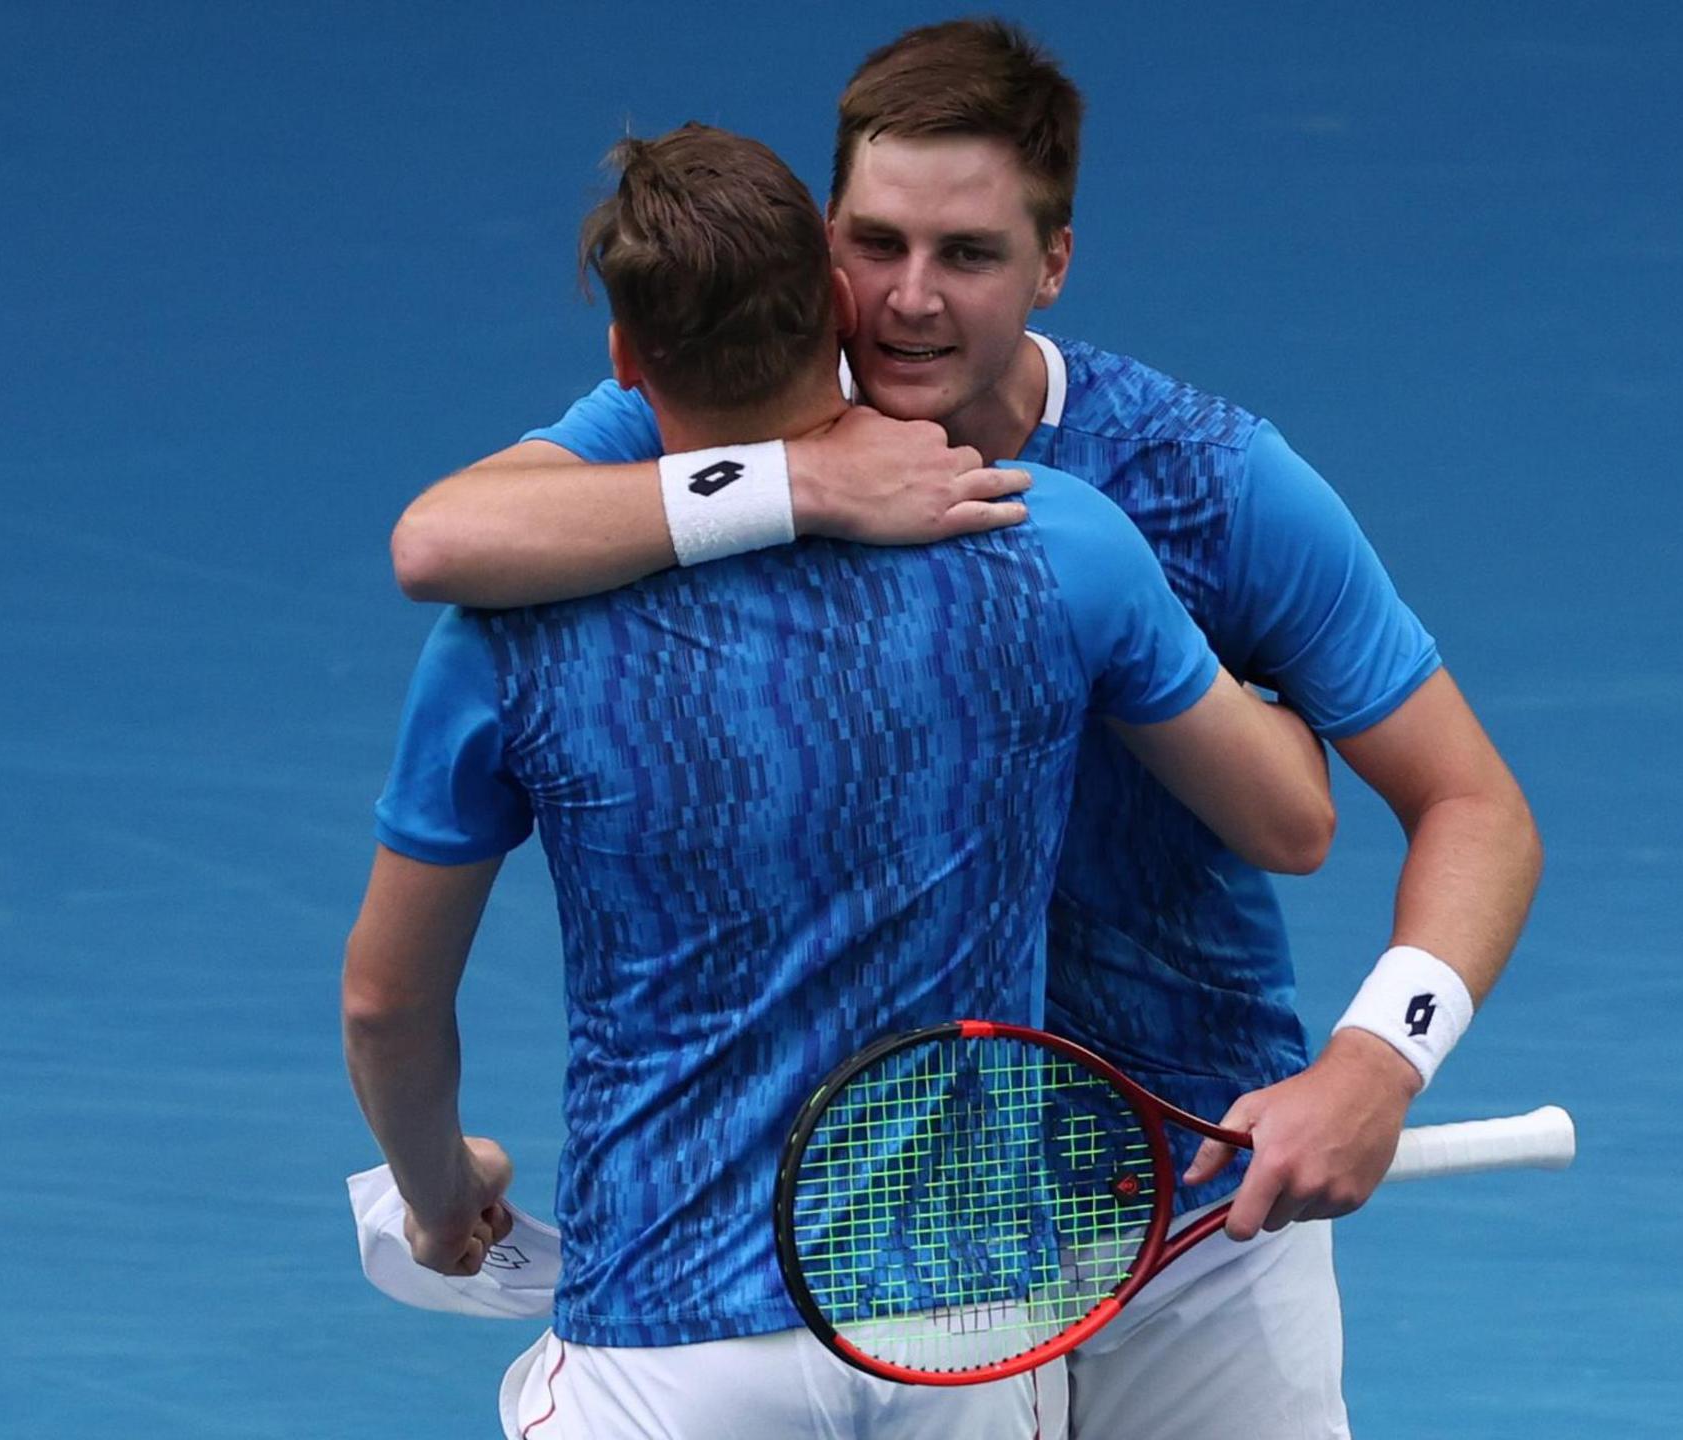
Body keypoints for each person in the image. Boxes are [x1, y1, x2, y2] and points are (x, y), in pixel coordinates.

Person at [386, 22, 1544, 1437]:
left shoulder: (1206, 481)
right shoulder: (715, 416)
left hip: (1182, 1187)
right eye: (874, 246)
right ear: (821, 245)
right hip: (879, 1239)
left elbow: (1472, 805)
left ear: (1054, 263)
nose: (909, 302)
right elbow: (446, 536)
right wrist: (804, 485)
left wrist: (1378, 1063)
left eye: (971, 256)